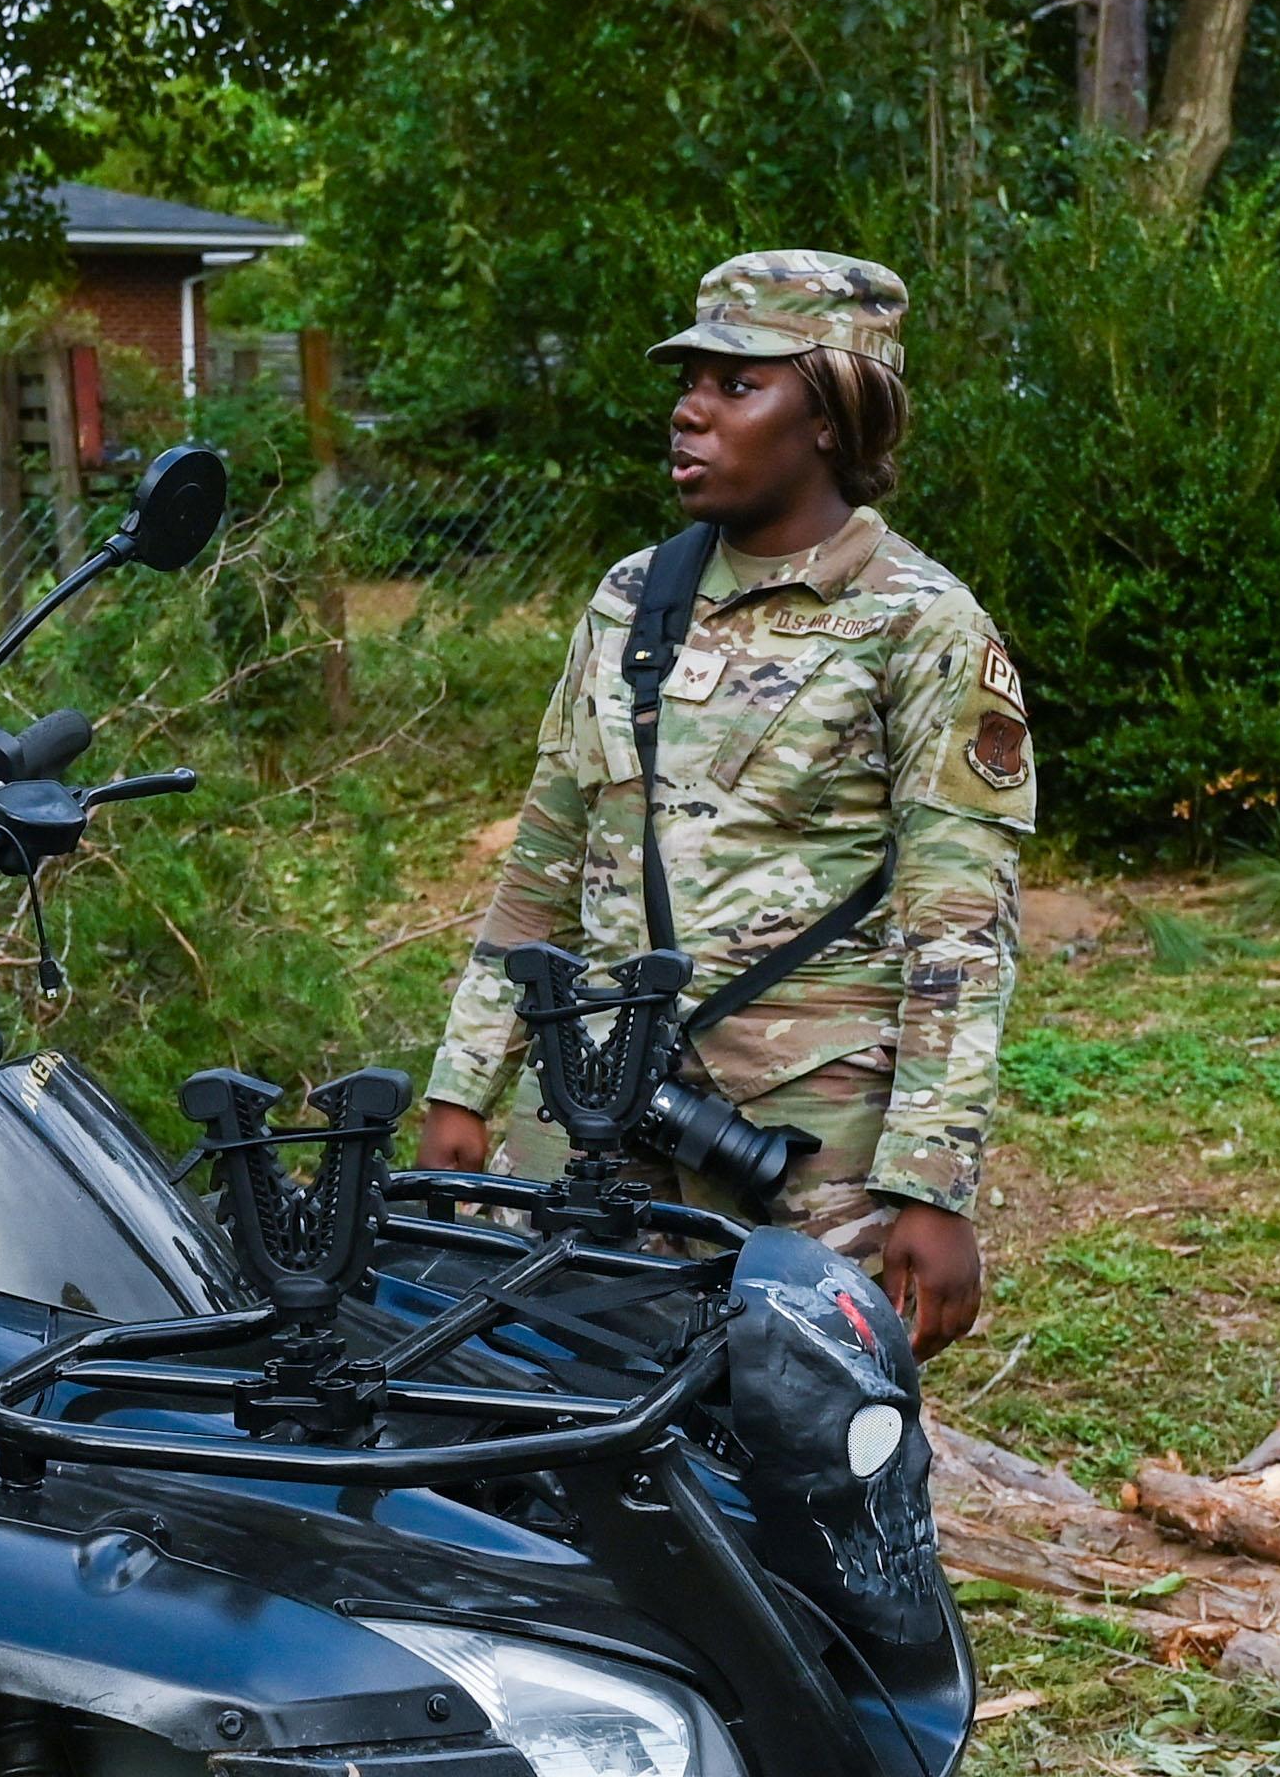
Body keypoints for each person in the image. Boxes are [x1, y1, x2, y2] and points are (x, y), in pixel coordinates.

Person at [414, 251, 1030, 1355]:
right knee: (544, 1403)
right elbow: (541, 871)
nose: (689, 413)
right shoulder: (628, 601)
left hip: (806, 1142)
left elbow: (960, 932)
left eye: (736, 386)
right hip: (595, 1098)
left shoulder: (918, 623)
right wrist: (462, 1085)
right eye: (687, 383)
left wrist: (933, 1184)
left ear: (833, 414)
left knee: (802, 1437)